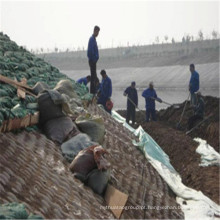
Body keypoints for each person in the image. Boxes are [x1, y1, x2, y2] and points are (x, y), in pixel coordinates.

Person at [87, 25, 100, 95]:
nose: (97, 34)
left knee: (94, 75)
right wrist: (94, 58)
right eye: (97, 32)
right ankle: (92, 92)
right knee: (93, 76)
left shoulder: (94, 40)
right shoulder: (91, 39)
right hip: (92, 61)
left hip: (94, 60)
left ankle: (94, 91)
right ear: (95, 31)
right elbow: (90, 51)